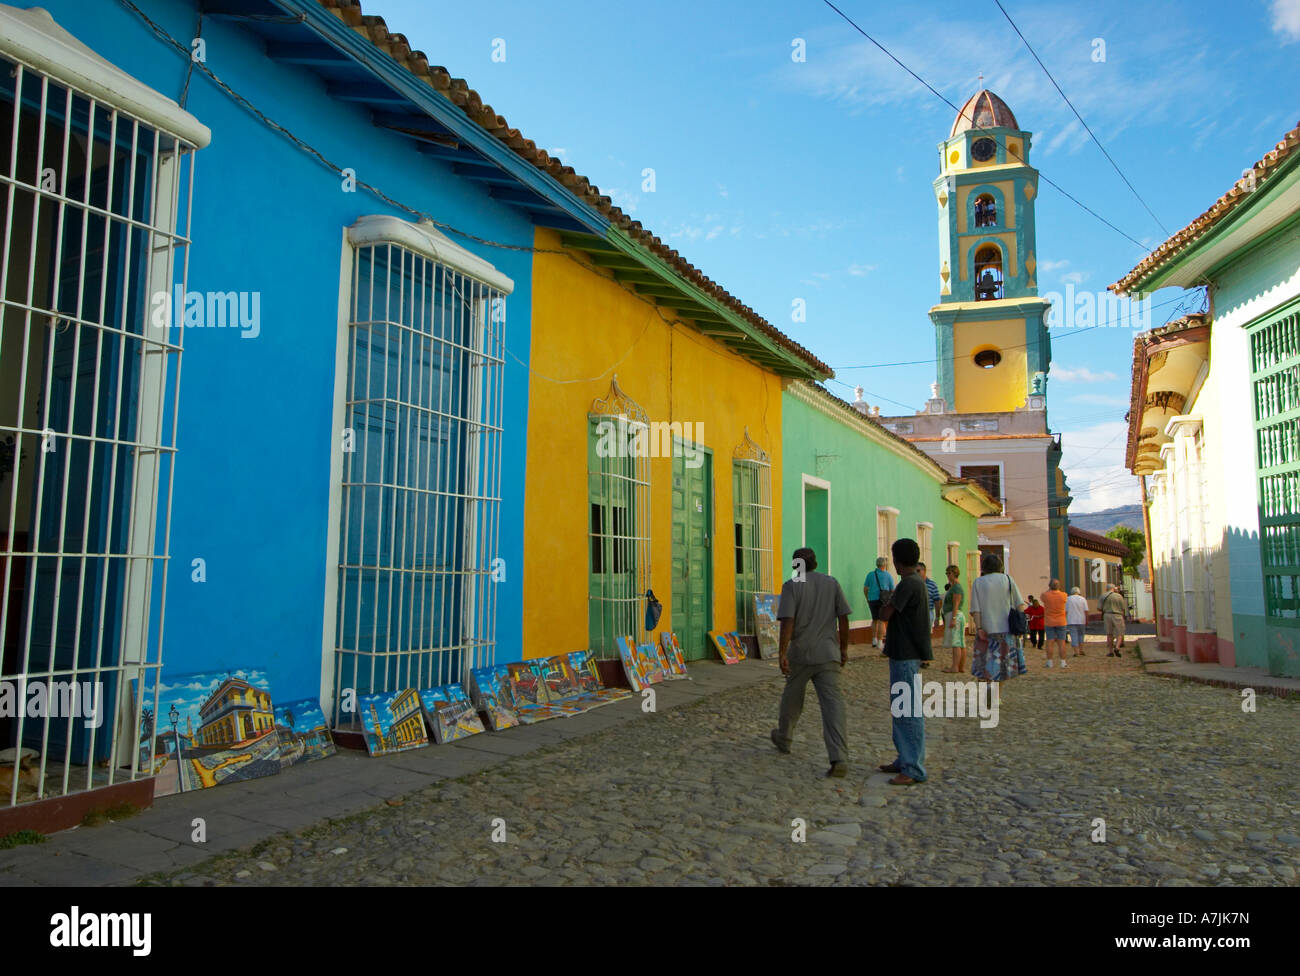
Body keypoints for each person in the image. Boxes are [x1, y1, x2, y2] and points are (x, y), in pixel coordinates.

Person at [773, 547, 851, 777]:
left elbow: (788, 621)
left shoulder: (792, 586)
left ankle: (785, 736)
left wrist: (782, 652)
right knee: (833, 705)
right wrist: (843, 648)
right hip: (828, 653)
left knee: (793, 695)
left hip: (801, 654)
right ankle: (839, 758)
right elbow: (844, 618)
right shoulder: (832, 583)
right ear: (815, 563)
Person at [878, 538, 929, 785]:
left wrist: (884, 600)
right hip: (905, 653)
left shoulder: (908, 584)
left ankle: (912, 767)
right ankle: (905, 757)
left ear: (898, 561)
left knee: (907, 711)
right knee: (902, 708)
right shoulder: (915, 582)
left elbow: (886, 612)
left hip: (905, 654)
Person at [968, 551, 1026, 683]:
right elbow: (1020, 605)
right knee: (1003, 668)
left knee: (984, 666)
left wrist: (979, 628)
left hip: (986, 630)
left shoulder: (978, 582)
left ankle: (987, 691)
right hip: (1006, 630)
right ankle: (997, 697)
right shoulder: (1008, 580)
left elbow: (975, 609)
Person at [863, 557, 895, 652]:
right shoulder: (888, 575)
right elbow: (892, 590)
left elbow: (865, 588)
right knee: (881, 621)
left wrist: (867, 598)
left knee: (874, 620)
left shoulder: (870, 575)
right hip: (883, 600)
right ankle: (880, 642)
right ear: (884, 565)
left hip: (872, 599)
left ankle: (874, 639)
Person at [940, 564, 967, 674]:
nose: (947, 575)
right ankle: (960, 666)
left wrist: (953, 618)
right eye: (947, 573)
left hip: (955, 615)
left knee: (956, 642)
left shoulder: (956, 587)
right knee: (961, 643)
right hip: (955, 615)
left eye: (949, 573)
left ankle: (955, 667)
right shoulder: (954, 586)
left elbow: (956, 603)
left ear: (954, 573)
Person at [917, 562, 942, 670]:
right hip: (915, 614)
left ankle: (925, 659)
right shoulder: (914, 584)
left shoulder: (932, 584)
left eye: (918, 571)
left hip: (927, 612)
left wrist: (937, 617)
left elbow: (937, 601)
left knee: (926, 636)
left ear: (924, 571)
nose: (916, 573)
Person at [1041, 579, 1069, 669]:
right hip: (1061, 620)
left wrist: (1049, 589)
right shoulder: (1064, 595)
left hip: (1049, 621)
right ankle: (1063, 662)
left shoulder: (1046, 595)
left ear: (1049, 586)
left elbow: (1042, 596)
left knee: (1050, 642)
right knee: (1062, 642)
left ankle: (1050, 662)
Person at [1101, 585, 1127, 657]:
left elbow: (1099, 608)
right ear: (1113, 589)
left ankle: (1110, 651)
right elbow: (1123, 608)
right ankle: (1117, 647)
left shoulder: (1103, 596)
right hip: (1118, 615)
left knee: (1109, 634)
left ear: (1107, 589)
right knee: (1120, 633)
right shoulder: (1119, 596)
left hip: (1107, 615)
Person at [1066, 586, 1089, 655]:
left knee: (1073, 636)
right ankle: (1081, 649)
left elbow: (1065, 611)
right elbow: (1086, 611)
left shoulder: (1068, 599)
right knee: (1081, 635)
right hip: (1081, 620)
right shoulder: (1083, 599)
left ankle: (1076, 651)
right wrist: (1087, 619)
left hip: (1071, 620)